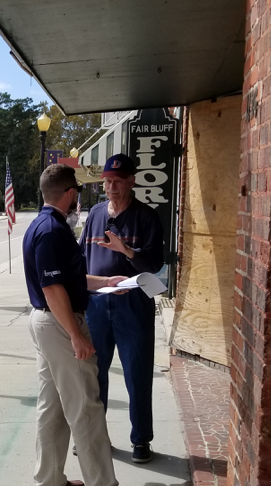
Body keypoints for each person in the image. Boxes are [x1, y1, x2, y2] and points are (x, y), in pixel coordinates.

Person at [22, 163, 143, 486]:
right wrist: (76, 335)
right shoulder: (52, 231)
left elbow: (66, 279)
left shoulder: (45, 226)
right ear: (71, 194)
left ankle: (49, 479)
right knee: (87, 407)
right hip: (59, 323)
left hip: (48, 323)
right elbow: (52, 287)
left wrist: (104, 283)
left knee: (54, 405)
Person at [80, 154, 164, 464]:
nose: (112, 187)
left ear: (132, 181)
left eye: (118, 181)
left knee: (137, 374)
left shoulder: (146, 217)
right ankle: (95, 436)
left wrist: (126, 250)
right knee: (93, 374)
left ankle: (141, 439)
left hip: (133, 306)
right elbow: (82, 259)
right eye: (107, 181)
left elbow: (155, 264)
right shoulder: (95, 215)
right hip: (98, 306)